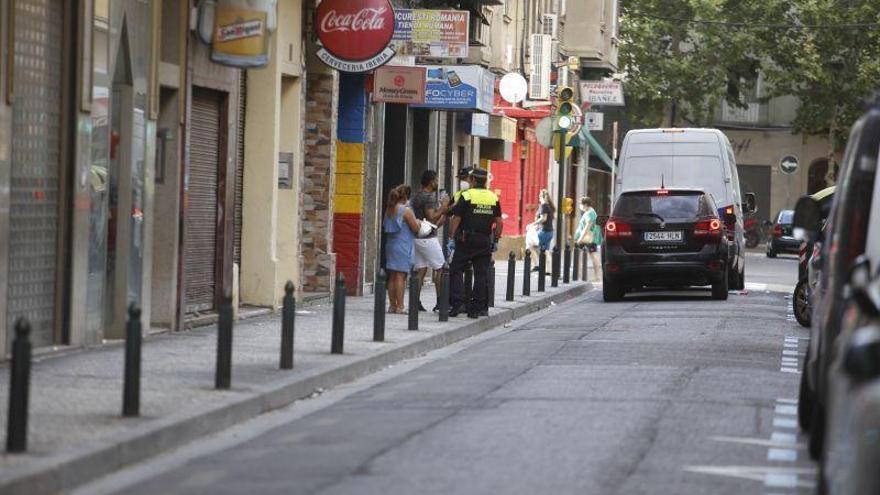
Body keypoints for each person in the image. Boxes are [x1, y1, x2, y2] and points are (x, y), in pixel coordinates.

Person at [449, 168, 502, 318]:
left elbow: (456, 218)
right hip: (484, 240)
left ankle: (458, 302)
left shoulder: (467, 195)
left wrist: (451, 237)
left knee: (456, 269)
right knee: (481, 274)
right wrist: (495, 239)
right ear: (485, 181)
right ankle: (476, 308)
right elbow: (499, 222)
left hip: (467, 240)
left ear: (472, 180)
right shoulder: (493, 197)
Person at [411, 170, 450, 311]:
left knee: (420, 270)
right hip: (428, 240)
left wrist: (443, 214)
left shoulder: (417, 196)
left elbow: (432, 223)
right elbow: (431, 217)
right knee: (441, 269)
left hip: (418, 237)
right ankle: (440, 303)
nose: (437, 182)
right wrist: (444, 207)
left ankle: (415, 302)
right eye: (436, 180)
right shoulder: (428, 197)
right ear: (430, 181)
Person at [383, 185, 421, 314]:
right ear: (406, 197)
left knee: (392, 276)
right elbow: (416, 228)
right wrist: (419, 223)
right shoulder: (406, 210)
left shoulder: (389, 209)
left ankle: (392, 305)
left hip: (391, 245)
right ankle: (400, 306)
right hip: (403, 245)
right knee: (401, 277)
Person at [574, 196, 603, 282]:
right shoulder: (590, 212)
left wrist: (580, 238)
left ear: (585, 204)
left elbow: (587, 227)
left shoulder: (590, 213)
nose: (579, 206)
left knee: (592, 255)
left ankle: (596, 276)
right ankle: (580, 275)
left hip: (588, 238)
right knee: (590, 255)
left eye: (580, 204)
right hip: (588, 238)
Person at [529, 189, 555, 272]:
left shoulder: (544, 205)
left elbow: (543, 218)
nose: (538, 198)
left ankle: (536, 265)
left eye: (539, 196)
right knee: (546, 251)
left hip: (544, 231)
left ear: (541, 196)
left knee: (531, 246)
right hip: (550, 231)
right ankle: (549, 270)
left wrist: (533, 224)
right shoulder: (549, 206)